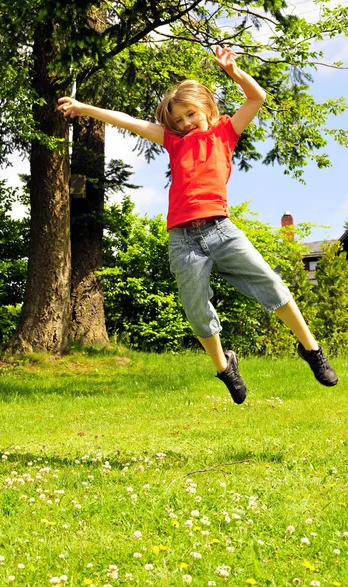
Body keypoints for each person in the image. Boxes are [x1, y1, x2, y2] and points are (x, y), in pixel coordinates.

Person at [58, 46, 338, 404]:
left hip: (221, 231)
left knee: (270, 282)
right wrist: (84, 109)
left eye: (191, 114)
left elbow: (257, 98)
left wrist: (234, 73)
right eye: (178, 120)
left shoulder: (225, 133)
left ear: (207, 107)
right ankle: (224, 367)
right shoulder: (173, 142)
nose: (186, 123)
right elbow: (127, 120)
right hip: (183, 240)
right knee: (196, 308)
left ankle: (312, 350)